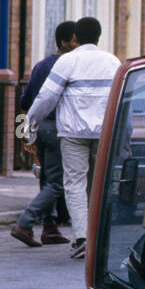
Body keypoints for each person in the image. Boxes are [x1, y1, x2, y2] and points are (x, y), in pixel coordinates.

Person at [25, 17, 122, 261]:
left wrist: (30, 125)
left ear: (76, 38)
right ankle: (99, 236)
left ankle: (82, 239)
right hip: (104, 131)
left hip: (73, 132)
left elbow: (46, 97)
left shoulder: (67, 61)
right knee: (99, 183)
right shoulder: (112, 62)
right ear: (99, 36)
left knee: (75, 183)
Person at [10, 21, 80, 248]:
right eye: (76, 40)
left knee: (47, 178)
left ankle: (49, 228)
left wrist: (24, 136)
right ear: (64, 42)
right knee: (57, 182)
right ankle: (25, 223)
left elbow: (24, 103)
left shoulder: (40, 66)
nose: (79, 44)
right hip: (60, 127)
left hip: (41, 128)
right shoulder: (69, 65)